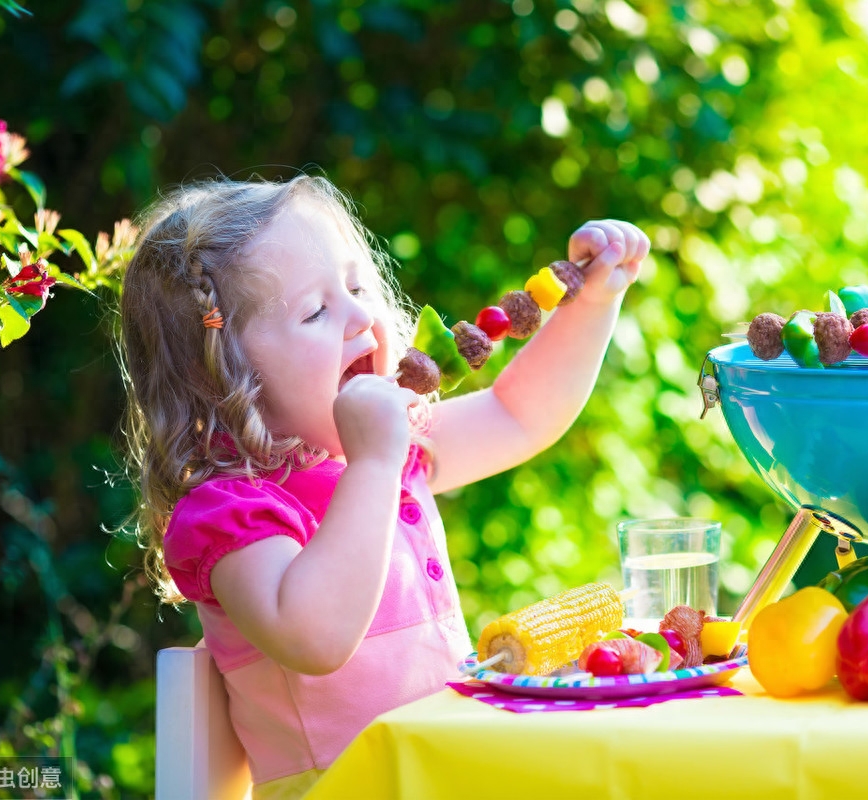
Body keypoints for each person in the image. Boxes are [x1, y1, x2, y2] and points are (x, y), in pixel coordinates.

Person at [119, 174, 649, 799]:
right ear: (226, 374)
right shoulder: (231, 513)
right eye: (316, 311)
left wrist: (594, 303)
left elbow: (519, 416)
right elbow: (313, 637)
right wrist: (372, 465)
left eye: (355, 286)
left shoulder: (392, 449)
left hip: (448, 777)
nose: (360, 316)